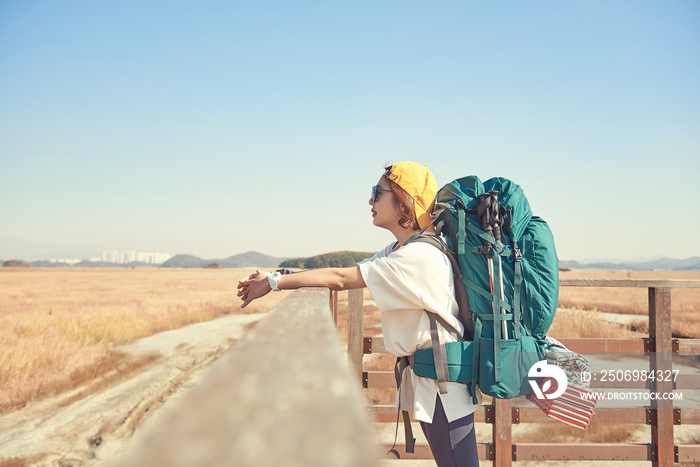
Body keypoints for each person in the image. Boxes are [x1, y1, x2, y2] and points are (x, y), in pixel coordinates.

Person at [237, 161, 479, 467]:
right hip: (435, 384)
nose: (370, 201)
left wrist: (274, 283)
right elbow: (341, 272)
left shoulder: (417, 257)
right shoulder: (401, 249)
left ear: (404, 201)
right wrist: (279, 274)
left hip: (445, 389)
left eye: (377, 193)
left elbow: (341, 279)